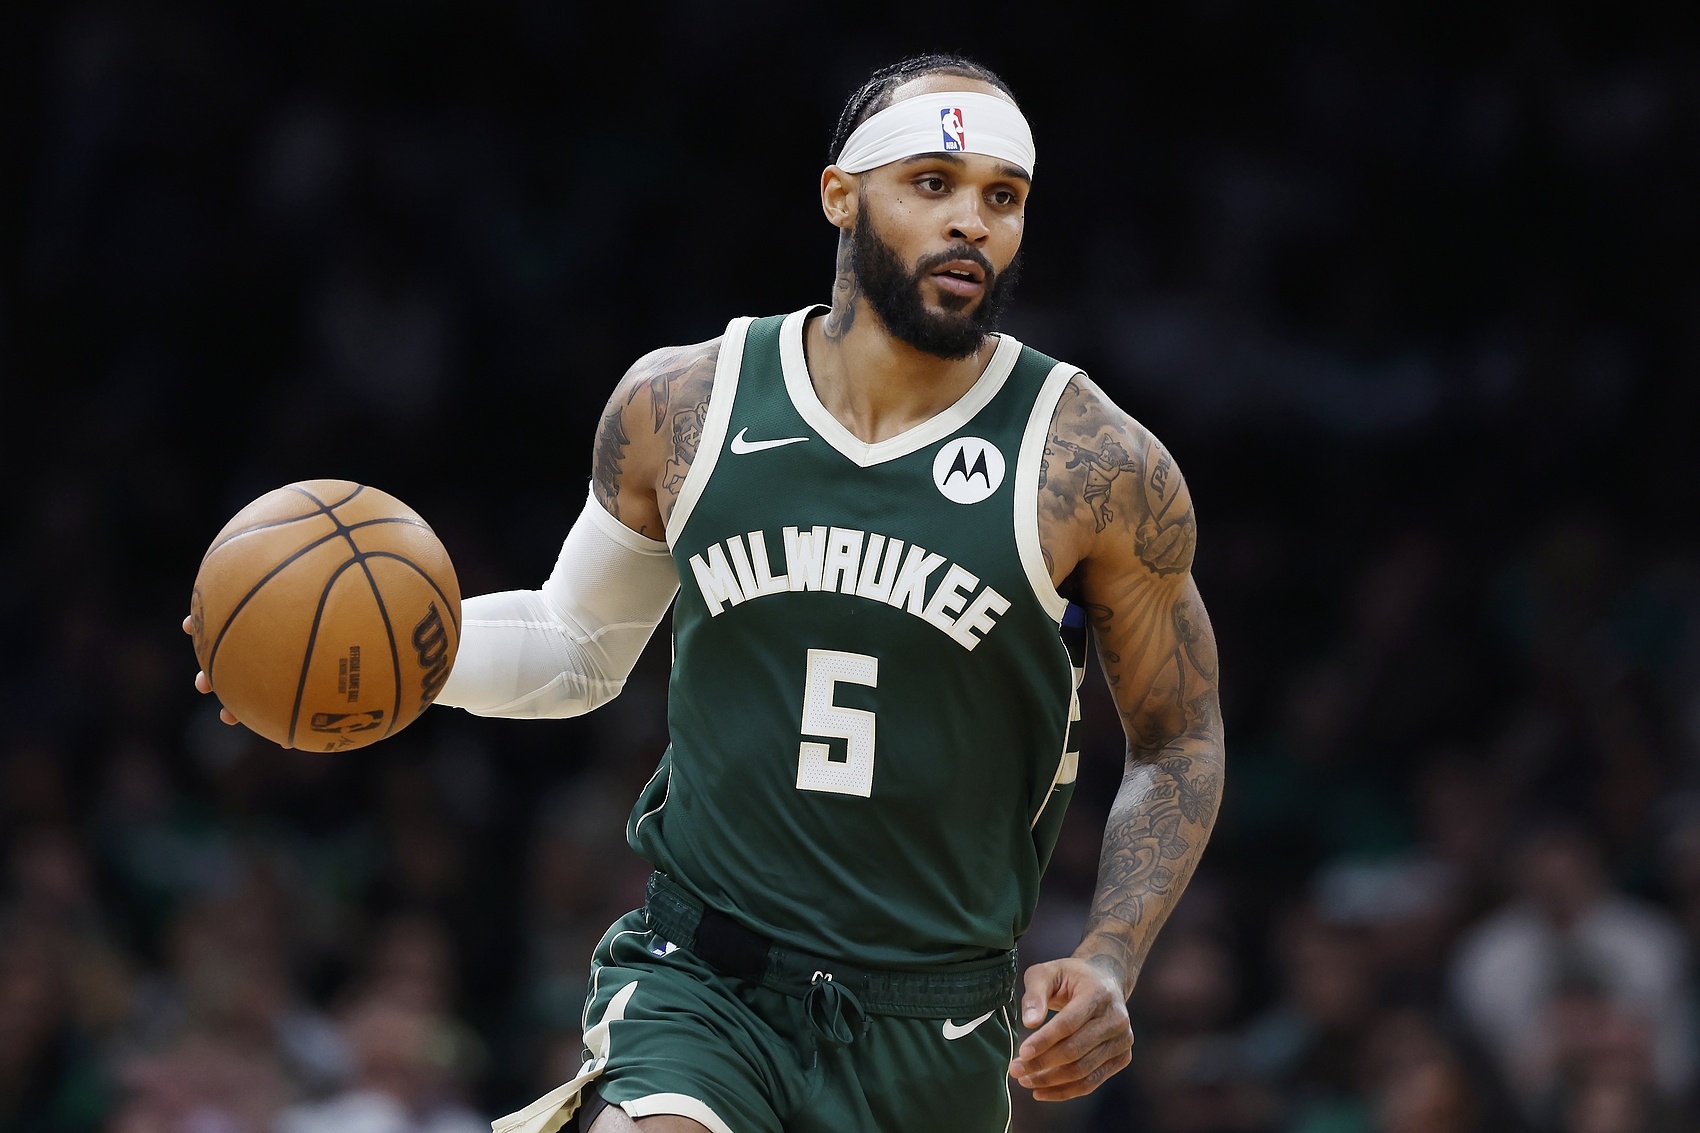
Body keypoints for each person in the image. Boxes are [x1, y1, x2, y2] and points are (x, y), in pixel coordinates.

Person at [187, 53, 1225, 1133]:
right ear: (840, 195)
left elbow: (1178, 737)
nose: (971, 221)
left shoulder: (1093, 464)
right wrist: (369, 659)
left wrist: (1110, 957)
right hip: (707, 983)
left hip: (936, 1022)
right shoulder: (682, 403)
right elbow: (576, 643)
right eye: (932, 183)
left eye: (1001, 197)